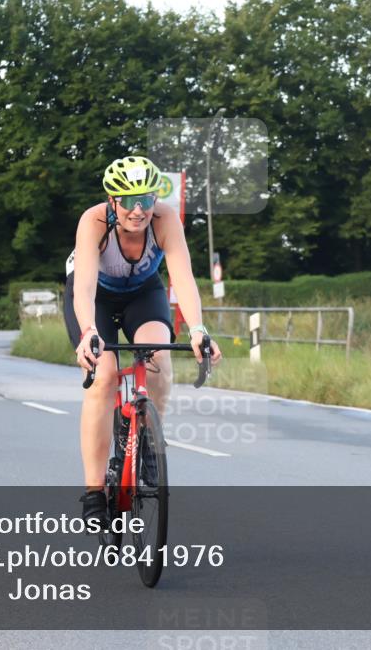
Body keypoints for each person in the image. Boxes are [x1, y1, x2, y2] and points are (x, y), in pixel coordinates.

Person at [64, 156, 222, 524]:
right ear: (112, 200)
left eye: (147, 199)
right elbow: (84, 286)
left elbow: (182, 277)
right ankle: (93, 493)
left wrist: (198, 329)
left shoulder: (165, 220)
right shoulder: (94, 221)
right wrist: (89, 332)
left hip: (142, 292)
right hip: (95, 298)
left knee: (159, 362)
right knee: (103, 378)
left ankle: (149, 444)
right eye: (129, 200)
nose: (139, 210)